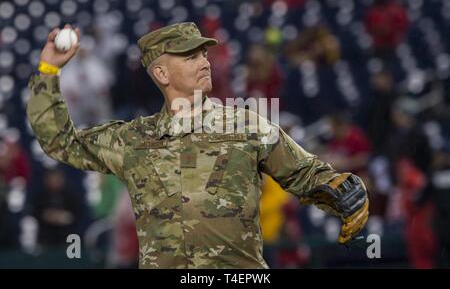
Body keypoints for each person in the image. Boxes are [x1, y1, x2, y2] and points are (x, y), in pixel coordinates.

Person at [26, 22, 369, 268]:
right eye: (190, 57)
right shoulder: (132, 139)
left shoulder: (245, 124)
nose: (205, 61)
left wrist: (341, 193)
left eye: (204, 54)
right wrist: (47, 72)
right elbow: (60, 141)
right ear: (161, 74)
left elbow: (306, 173)